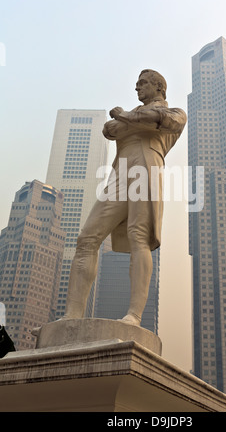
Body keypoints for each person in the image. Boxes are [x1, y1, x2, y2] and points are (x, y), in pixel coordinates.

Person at [63, 69, 187, 326]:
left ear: (159, 87)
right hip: (118, 176)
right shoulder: (137, 116)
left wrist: (125, 116)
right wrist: (134, 120)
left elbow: (159, 118)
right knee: (87, 237)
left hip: (146, 169)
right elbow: (110, 130)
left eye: (142, 84)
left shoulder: (176, 113)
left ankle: (134, 315)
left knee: (139, 236)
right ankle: (72, 315)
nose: (137, 88)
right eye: (137, 84)